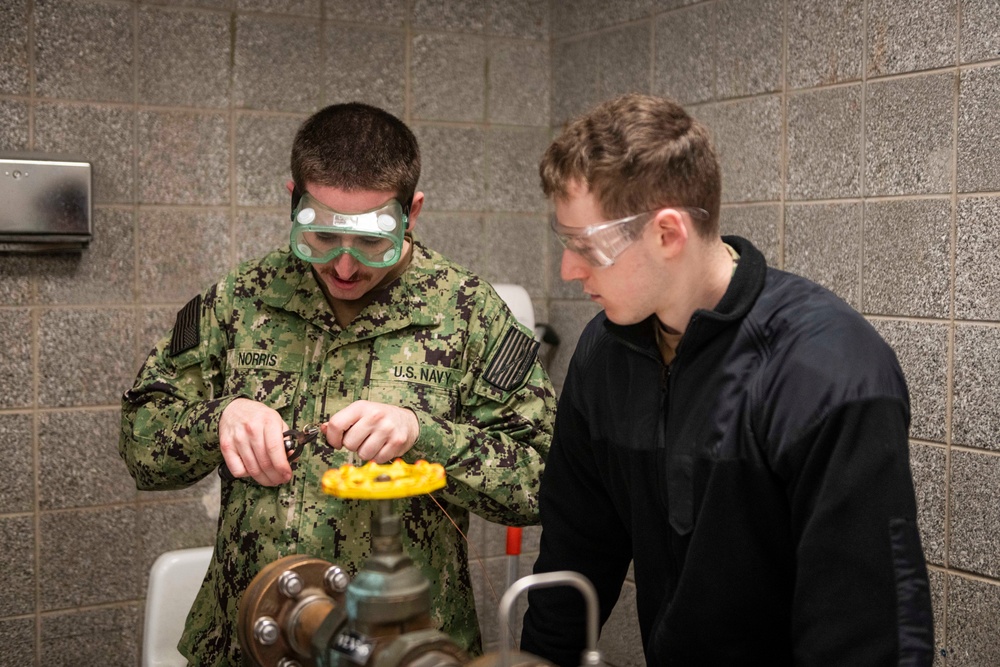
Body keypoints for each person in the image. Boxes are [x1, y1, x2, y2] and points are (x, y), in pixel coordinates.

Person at [119, 102, 556, 666]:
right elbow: (141, 446)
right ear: (293, 201)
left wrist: (423, 435)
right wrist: (218, 419)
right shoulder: (242, 299)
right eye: (322, 237)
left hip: (404, 645)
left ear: (412, 212)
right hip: (251, 640)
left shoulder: (468, 313)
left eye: (371, 242)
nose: (344, 268)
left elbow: (543, 482)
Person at [519, 93, 934, 666]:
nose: (569, 269)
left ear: (668, 233)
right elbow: (575, 556)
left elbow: (867, 628)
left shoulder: (827, 371)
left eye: (586, 246)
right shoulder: (606, 353)